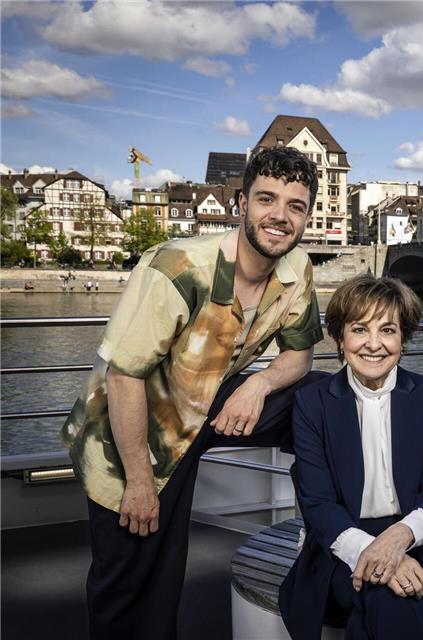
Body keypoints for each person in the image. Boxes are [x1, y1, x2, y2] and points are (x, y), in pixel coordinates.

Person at [60, 146, 325, 639]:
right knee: (138, 585)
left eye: (296, 206)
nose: (280, 217)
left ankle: (333, 530)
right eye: (267, 199)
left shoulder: (297, 271)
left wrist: (260, 385)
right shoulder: (177, 269)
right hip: (133, 431)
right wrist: (140, 484)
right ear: (241, 204)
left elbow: (300, 356)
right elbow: (124, 377)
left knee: (324, 399)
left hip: (210, 405)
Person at [280, 275, 423, 640]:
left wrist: (399, 538)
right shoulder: (312, 404)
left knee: (384, 597)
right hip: (340, 543)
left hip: (418, 540)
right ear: (340, 337)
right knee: (389, 592)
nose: (374, 345)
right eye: (360, 329)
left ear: (404, 338)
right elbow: (318, 503)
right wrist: (378, 554)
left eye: (388, 330)